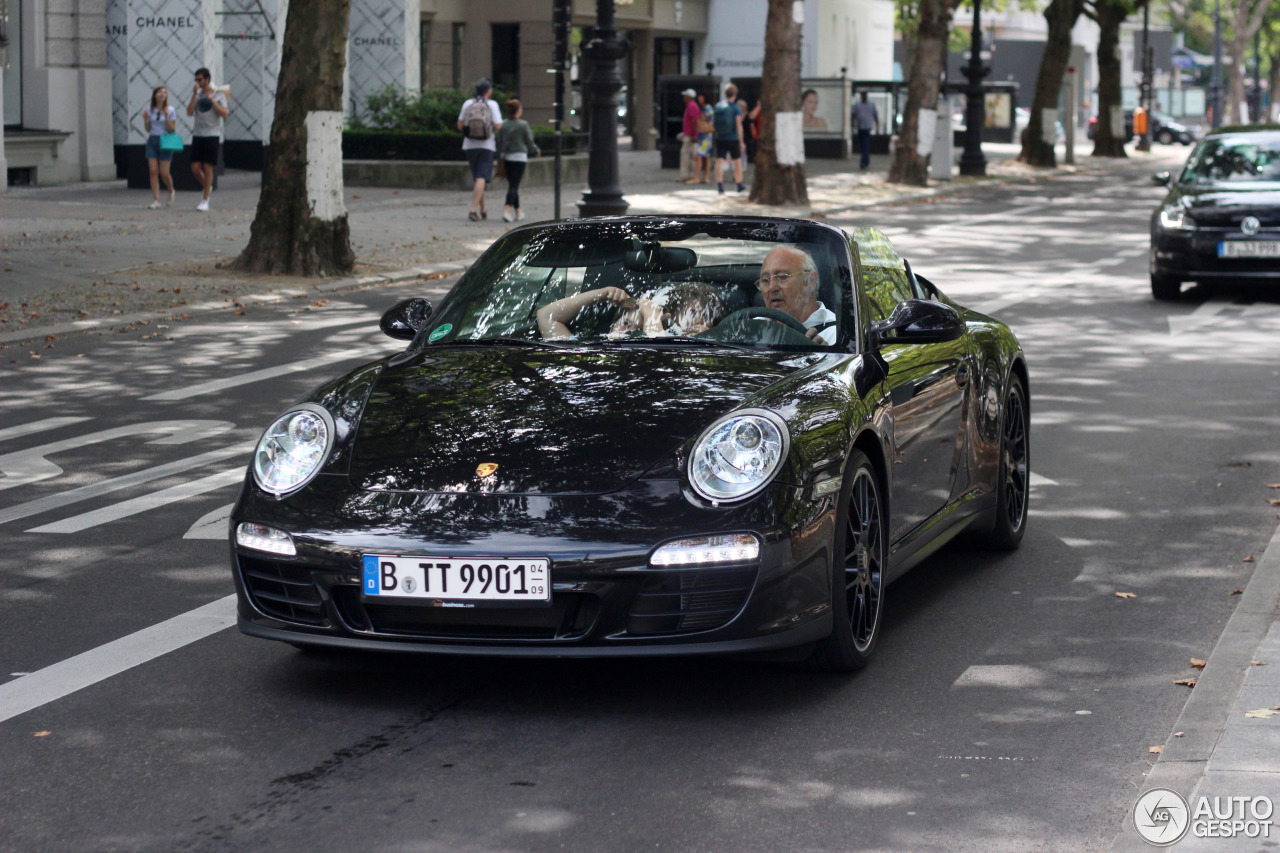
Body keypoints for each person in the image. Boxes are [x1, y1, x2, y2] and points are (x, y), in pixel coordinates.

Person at [756, 246, 837, 344]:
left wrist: (825, 355)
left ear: (810, 281)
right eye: (765, 279)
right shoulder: (752, 327)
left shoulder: (835, 334)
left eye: (782, 277)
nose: (772, 287)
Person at [457, 77, 504, 221]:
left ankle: (483, 209)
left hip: (469, 146)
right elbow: (498, 126)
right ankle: (472, 210)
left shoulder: (467, 104)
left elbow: (460, 126)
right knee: (481, 177)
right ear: (488, 91)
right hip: (486, 146)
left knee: (478, 178)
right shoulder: (492, 105)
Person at [186, 67, 228, 212]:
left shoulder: (219, 94)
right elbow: (189, 112)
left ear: (207, 79)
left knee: (208, 167)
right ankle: (207, 187)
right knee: (195, 168)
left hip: (212, 134)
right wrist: (194, 95)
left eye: (200, 80)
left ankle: (205, 200)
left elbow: (225, 114)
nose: (197, 82)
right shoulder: (196, 95)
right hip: (198, 134)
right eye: (196, 80)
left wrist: (213, 101)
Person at [495, 97, 539, 223]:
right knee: (514, 185)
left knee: (513, 184)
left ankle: (518, 211)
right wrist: (535, 150)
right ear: (518, 110)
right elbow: (529, 141)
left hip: (507, 157)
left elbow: (499, 142)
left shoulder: (503, 124)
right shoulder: (523, 124)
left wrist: (499, 157)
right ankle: (506, 210)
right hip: (520, 157)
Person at [142, 85, 177, 209]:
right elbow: (148, 129)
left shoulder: (170, 109)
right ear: (155, 95)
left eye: (164, 92)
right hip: (152, 140)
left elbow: (172, 129)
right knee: (153, 170)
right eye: (160, 92)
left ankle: (171, 190)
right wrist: (146, 119)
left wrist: (167, 116)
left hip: (165, 140)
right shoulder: (150, 109)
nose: (163, 94)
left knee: (164, 172)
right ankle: (156, 199)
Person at [712, 83, 745, 194]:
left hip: (720, 137)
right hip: (733, 138)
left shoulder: (718, 106)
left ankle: (720, 185)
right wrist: (741, 141)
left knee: (719, 161)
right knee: (737, 162)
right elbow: (738, 125)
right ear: (735, 94)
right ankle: (739, 184)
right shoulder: (736, 108)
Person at [689, 94, 713, 185]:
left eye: (701, 97)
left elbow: (707, 119)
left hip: (704, 137)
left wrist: (701, 117)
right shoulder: (706, 108)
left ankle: (696, 177)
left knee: (699, 156)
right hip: (706, 136)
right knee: (706, 157)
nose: (700, 99)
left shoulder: (707, 108)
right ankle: (706, 176)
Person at [852, 90, 879, 171]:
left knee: (865, 144)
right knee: (863, 145)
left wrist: (877, 125)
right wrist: (853, 123)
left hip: (867, 127)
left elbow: (875, 115)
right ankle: (865, 161)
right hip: (860, 127)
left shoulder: (871, 105)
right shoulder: (858, 105)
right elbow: (853, 115)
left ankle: (864, 162)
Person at [678, 88, 700, 181]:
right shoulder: (691, 106)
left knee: (685, 155)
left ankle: (685, 174)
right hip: (689, 134)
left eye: (685, 96)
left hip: (690, 134)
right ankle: (691, 174)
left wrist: (692, 135)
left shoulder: (692, 106)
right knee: (691, 155)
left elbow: (694, 121)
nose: (684, 97)